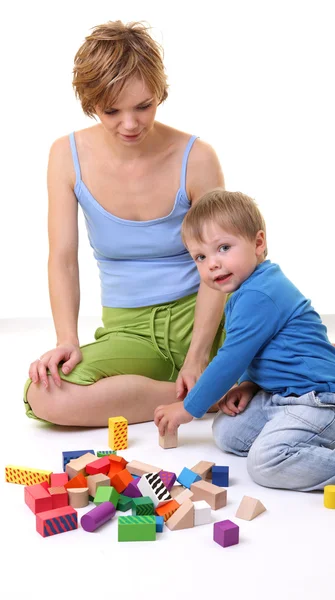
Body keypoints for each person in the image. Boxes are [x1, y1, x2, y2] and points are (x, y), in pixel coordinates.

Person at [24, 20, 227, 427]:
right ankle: (212, 393)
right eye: (111, 111)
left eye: (143, 106)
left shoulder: (198, 157)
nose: (130, 124)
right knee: (44, 396)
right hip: (129, 328)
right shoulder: (66, 156)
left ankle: (217, 377)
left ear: (159, 93)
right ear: (90, 103)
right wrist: (67, 339)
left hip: (207, 314)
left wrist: (198, 355)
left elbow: (225, 262)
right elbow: (62, 258)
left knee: (297, 362)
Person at [154, 190, 335, 499]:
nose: (212, 264)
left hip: (327, 401)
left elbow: (229, 360)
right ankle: (299, 443)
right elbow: (263, 353)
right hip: (286, 396)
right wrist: (249, 385)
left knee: (265, 463)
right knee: (227, 433)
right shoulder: (249, 289)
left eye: (224, 248)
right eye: (201, 257)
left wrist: (188, 409)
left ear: (258, 244)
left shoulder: (259, 294)